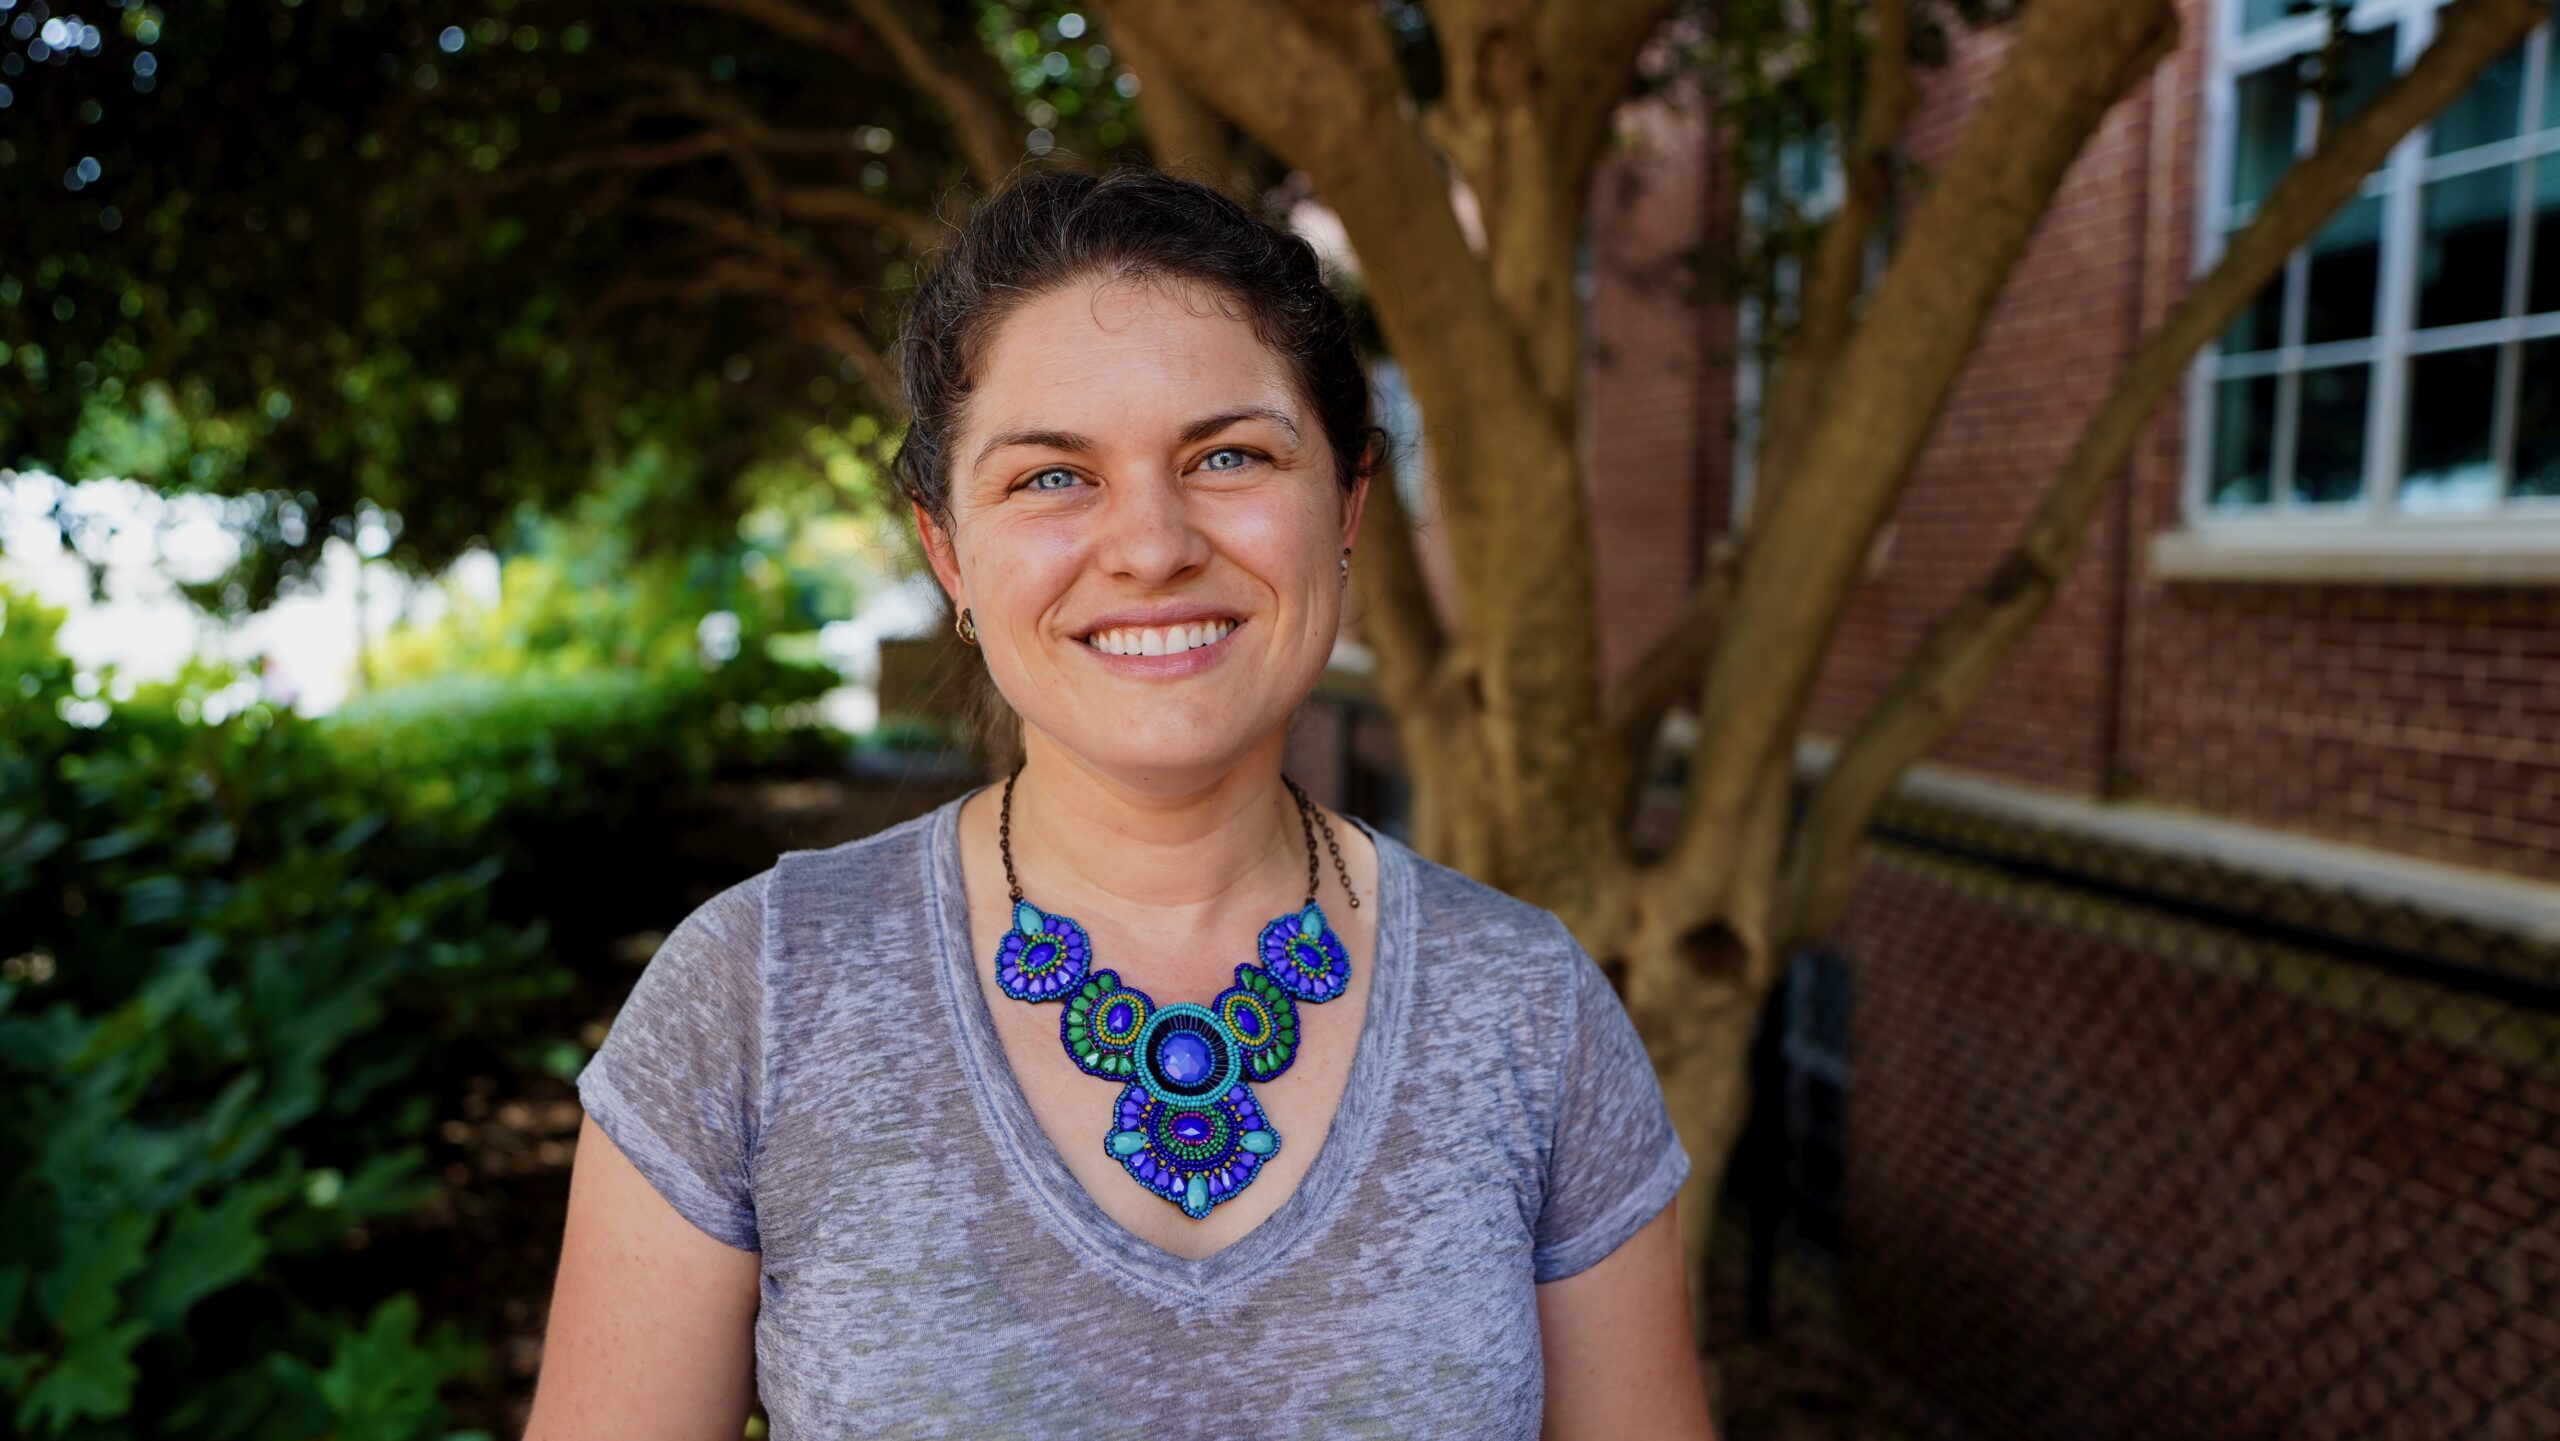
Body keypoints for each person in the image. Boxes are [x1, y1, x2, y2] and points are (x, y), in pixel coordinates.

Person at [525, 166, 1714, 1440]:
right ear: (948, 551)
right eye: (1051, 477)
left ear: (1347, 505)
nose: (1151, 545)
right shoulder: (756, 993)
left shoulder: (1529, 1008)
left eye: (1230, 455)